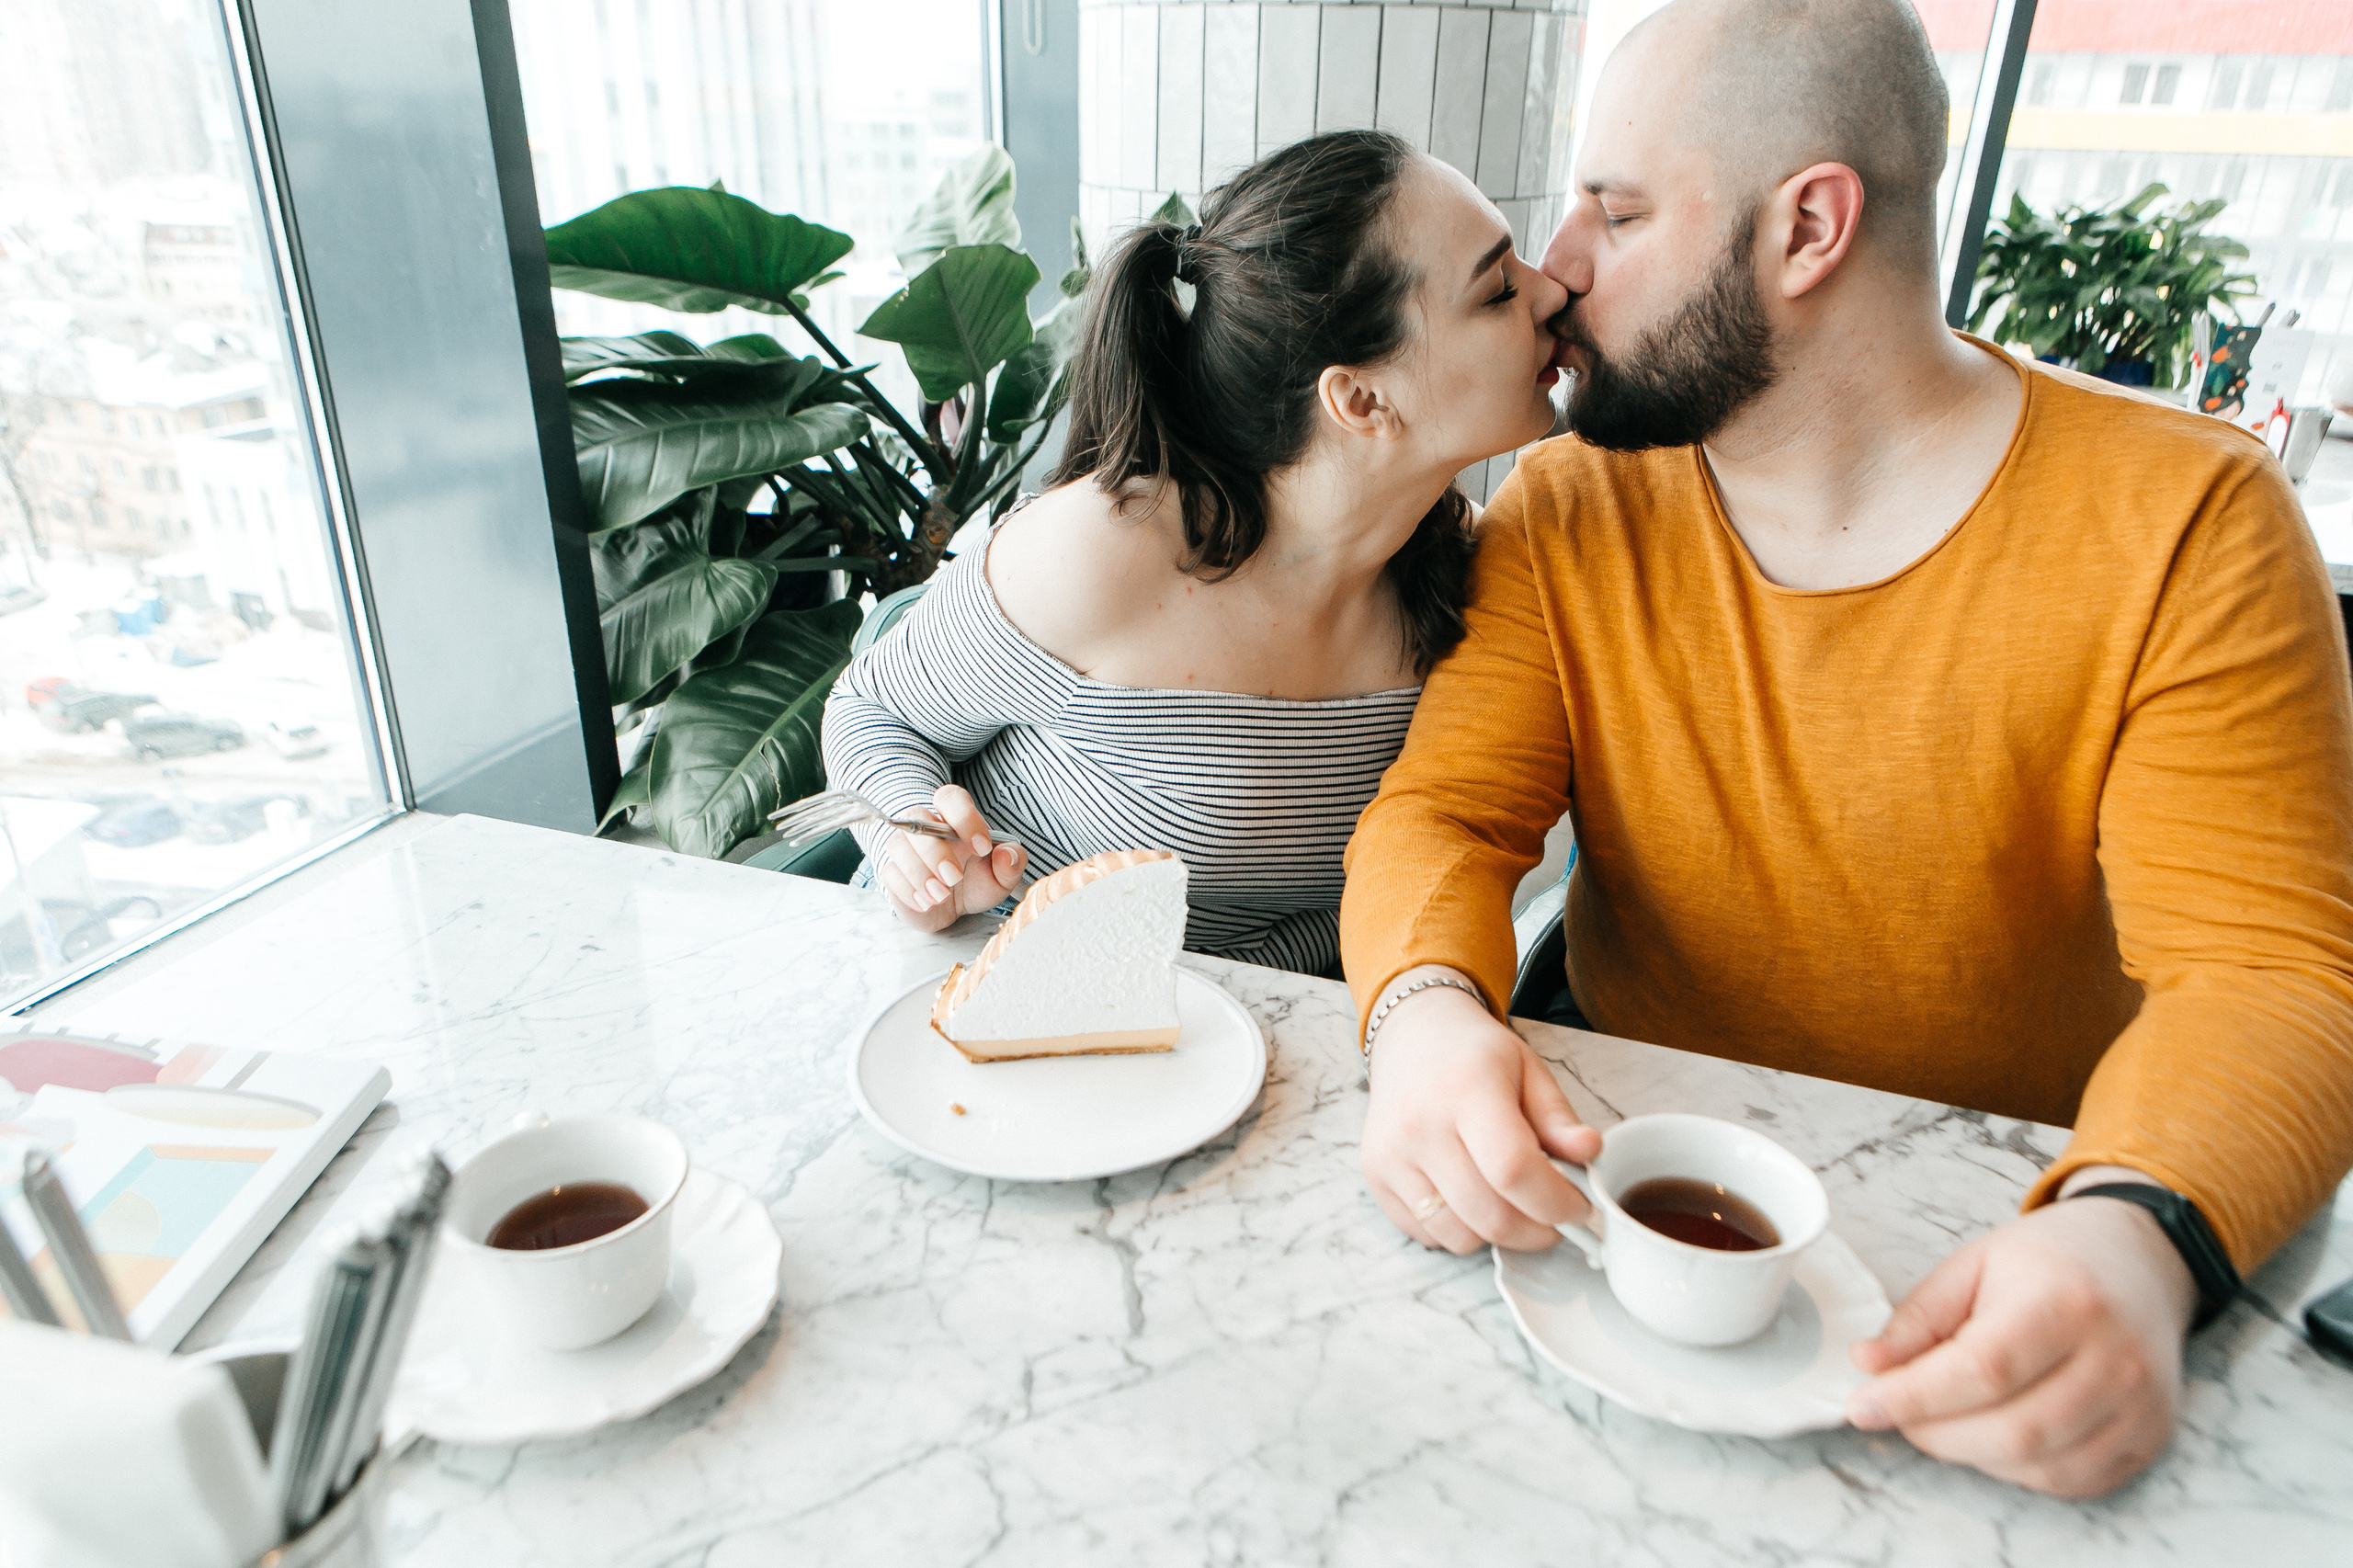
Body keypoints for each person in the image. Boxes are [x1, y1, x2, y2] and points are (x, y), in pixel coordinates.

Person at [1341, 0, 2353, 1500]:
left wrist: (2139, 1232)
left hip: (2006, 1221)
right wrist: (1422, 1017)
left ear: (1809, 226)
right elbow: (1443, 817)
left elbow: (2273, 976)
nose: (1557, 271)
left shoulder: (2190, 522)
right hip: (1612, 1193)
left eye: (1616, 212)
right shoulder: (1563, 513)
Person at [821, 129, 1567, 975]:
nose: (1555, 292)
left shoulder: (1477, 573)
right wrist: (915, 845)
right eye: (1500, 289)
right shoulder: (1104, 550)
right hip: (1007, 997)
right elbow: (870, 709)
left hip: (1279, 1049)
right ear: (1360, 396)